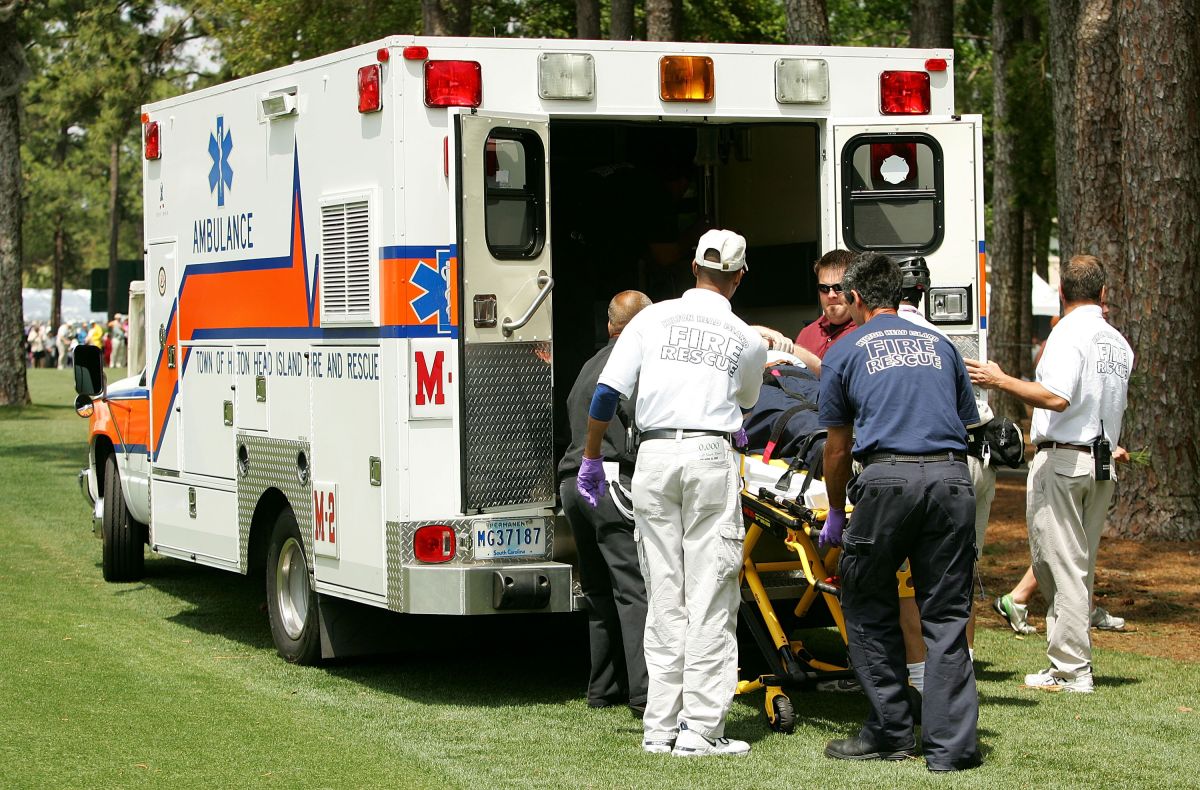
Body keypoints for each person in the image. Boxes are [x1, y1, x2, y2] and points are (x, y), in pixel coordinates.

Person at [577, 228, 766, 757]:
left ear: (693, 267)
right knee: (709, 597)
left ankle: (660, 726)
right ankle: (701, 730)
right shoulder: (746, 336)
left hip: (653, 457)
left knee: (664, 595)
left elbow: (606, 393)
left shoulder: (650, 318)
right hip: (709, 454)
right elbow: (745, 400)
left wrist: (592, 458)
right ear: (740, 276)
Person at [818, 252, 981, 771]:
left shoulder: (845, 351)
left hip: (887, 481)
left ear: (858, 299)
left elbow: (838, 449)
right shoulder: (942, 344)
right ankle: (951, 750)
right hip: (952, 480)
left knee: (866, 602)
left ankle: (890, 730)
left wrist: (838, 512)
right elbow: (965, 422)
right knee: (947, 617)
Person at [967, 254, 1133, 693]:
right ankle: (1066, 659)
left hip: (1064, 460)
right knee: (1070, 563)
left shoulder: (1067, 334)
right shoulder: (1118, 343)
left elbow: (1056, 398)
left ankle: (1073, 669)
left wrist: (1000, 380)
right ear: (1103, 293)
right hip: (1101, 462)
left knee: (1064, 564)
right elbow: (1101, 403)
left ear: (1062, 293)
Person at [894, 256, 997, 665]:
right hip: (970, 462)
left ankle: (918, 672)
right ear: (926, 292)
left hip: (921, 467)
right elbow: (970, 412)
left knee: (909, 577)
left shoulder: (879, 339)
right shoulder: (944, 340)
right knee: (960, 571)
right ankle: (963, 665)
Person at [559, 290, 653, 717]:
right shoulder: (634, 363)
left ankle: (603, 689)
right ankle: (645, 694)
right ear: (641, 325)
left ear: (611, 325)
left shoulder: (589, 364)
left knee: (598, 591)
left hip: (572, 483)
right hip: (609, 479)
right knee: (634, 588)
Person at [794, 249, 858, 376]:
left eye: (838, 288)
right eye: (824, 288)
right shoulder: (807, 334)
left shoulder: (866, 331)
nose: (831, 295)